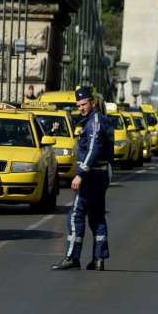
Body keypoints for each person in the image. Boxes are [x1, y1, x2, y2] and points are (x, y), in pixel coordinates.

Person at [52, 86, 113, 271]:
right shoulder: (99, 120)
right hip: (101, 174)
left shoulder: (95, 123)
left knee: (76, 215)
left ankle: (72, 257)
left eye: (84, 104)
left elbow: (93, 149)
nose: (81, 108)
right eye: (78, 105)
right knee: (97, 216)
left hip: (91, 174)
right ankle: (98, 258)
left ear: (92, 102)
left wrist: (80, 174)